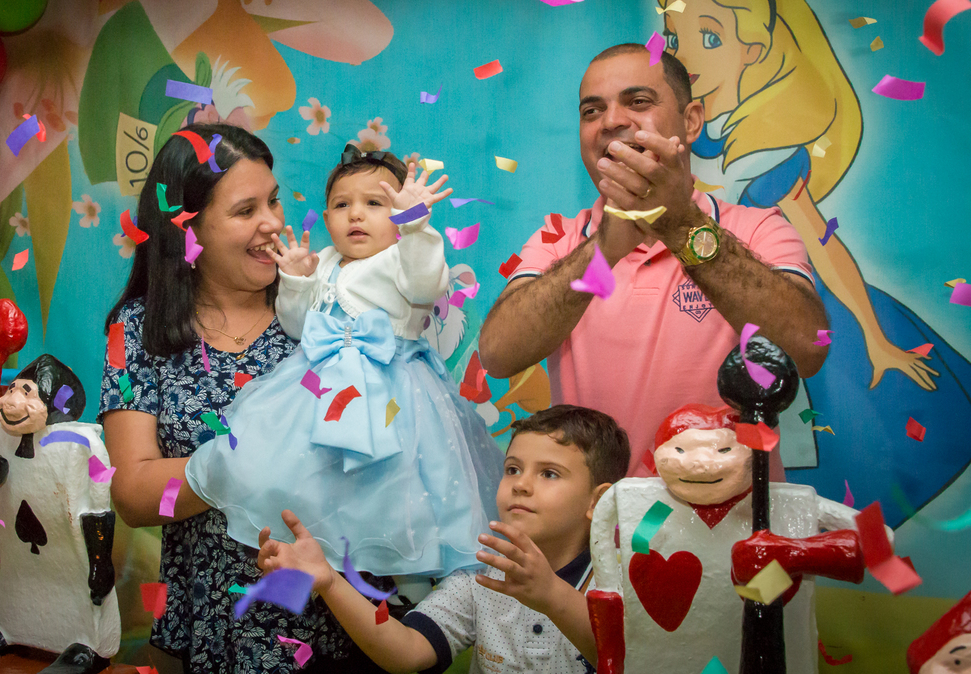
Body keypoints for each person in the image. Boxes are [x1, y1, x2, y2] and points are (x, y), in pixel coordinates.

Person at [655, 0, 971, 525]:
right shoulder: (696, 141)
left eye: (711, 37)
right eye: (675, 37)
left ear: (754, 48)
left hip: (790, 322)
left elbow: (823, 245)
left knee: (803, 471)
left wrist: (876, 338)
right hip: (712, 326)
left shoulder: (764, 156)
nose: (686, 55)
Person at [100, 124, 388, 673]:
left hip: (339, 624)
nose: (273, 223)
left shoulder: (322, 305)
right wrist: (237, 462)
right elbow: (133, 495)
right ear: (188, 227)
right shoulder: (138, 329)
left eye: (274, 201)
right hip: (211, 629)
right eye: (245, 210)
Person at [478, 43, 829, 474]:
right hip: (597, 514)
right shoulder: (558, 239)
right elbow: (497, 355)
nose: (611, 121)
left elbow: (810, 348)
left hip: (727, 512)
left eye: (638, 102)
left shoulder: (760, 228)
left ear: (691, 121)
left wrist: (680, 227)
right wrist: (603, 250)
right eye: (592, 111)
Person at [186, 146, 503, 578]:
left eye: (375, 203)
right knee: (311, 474)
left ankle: (378, 550)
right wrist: (297, 280)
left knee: (389, 482)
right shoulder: (325, 262)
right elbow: (298, 326)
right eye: (341, 205)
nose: (355, 214)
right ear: (326, 216)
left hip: (393, 391)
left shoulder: (405, 257)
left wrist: (415, 225)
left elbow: (426, 285)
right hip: (321, 387)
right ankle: (317, 539)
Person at [256, 404, 630, 674]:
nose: (521, 484)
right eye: (513, 469)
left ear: (598, 502)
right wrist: (330, 582)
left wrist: (551, 594)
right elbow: (406, 652)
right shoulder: (481, 575)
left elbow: (629, 659)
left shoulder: (626, 583)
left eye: (549, 474)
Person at [586, 404, 873, 674]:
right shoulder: (654, 510)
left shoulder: (783, 505)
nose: (701, 463)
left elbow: (880, 538)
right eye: (681, 449)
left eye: (724, 449)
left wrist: (795, 554)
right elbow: (634, 553)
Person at [0, 354, 119, 674]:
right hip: (14, 553)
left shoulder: (80, 443)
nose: (10, 400)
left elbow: (99, 503)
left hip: (69, 551)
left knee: (76, 588)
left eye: (27, 392)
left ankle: (86, 645)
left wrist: (101, 561)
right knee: (13, 582)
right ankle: (3, 629)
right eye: (12, 389)